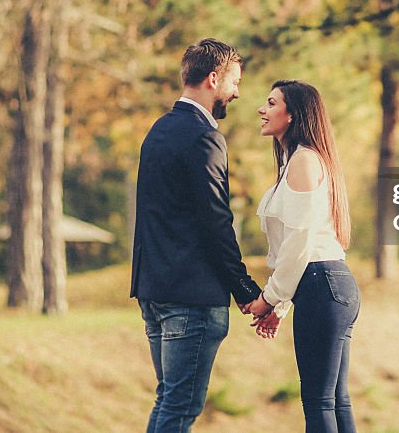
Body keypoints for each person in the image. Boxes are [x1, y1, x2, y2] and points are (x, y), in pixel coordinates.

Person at [130, 38, 262, 433]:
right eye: (234, 82)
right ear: (213, 78)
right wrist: (246, 290)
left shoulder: (158, 131)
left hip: (155, 292)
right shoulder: (205, 137)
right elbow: (215, 221)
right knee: (179, 409)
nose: (237, 92)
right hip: (191, 298)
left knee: (169, 400)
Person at [246, 80, 360, 433]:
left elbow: (299, 243)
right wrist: (280, 306)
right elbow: (297, 247)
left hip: (320, 284)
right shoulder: (301, 161)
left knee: (319, 402)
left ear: (293, 114)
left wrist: (269, 298)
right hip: (328, 285)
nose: (262, 110)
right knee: (334, 400)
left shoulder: (303, 161)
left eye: (271, 103)